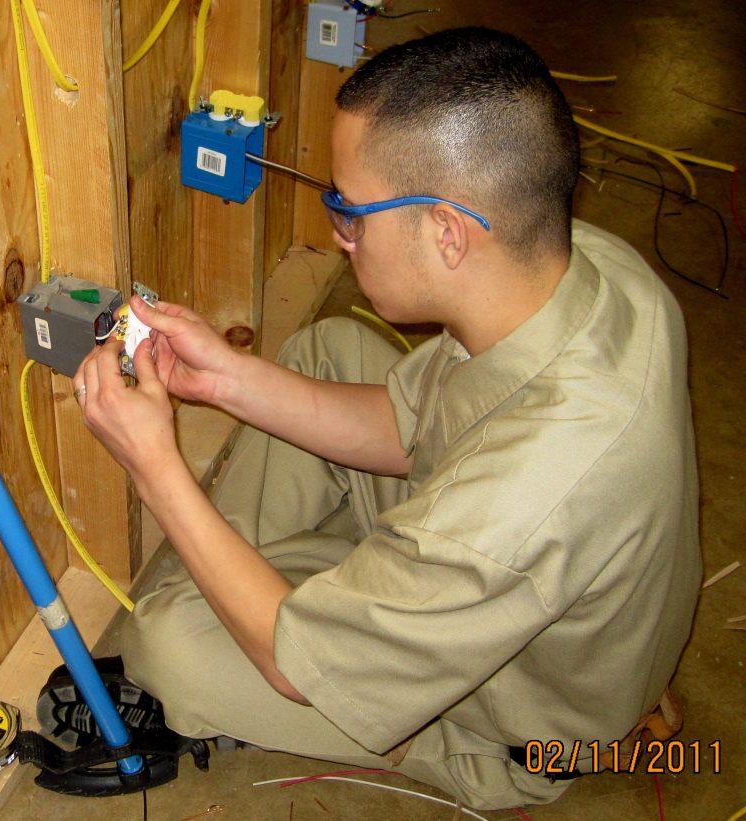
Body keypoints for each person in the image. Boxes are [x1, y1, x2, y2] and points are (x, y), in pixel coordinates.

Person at [69, 27, 700, 809]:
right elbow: (408, 424)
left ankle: (303, 616)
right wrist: (228, 379)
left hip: (505, 722)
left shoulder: (527, 495)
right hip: (511, 564)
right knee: (325, 348)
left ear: (447, 232)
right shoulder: (585, 268)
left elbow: (296, 667)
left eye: (350, 210)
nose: (340, 233)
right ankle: (303, 597)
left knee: (166, 642)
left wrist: (155, 467)